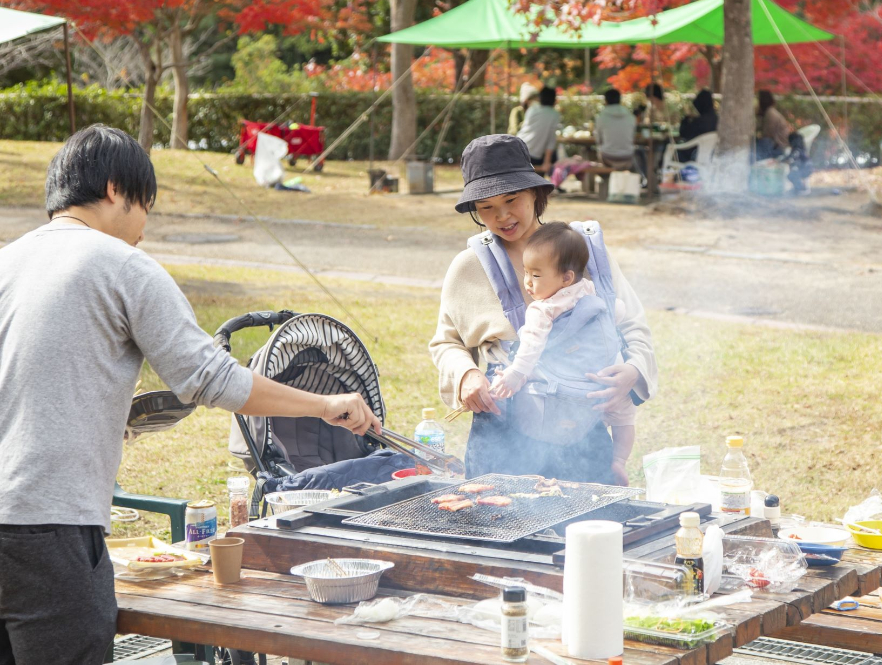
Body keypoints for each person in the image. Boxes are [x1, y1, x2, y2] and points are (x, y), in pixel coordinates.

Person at [0, 126, 382, 665]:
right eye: (145, 209)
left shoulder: (7, 261)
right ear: (115, 189)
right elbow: (213, 378)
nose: (142, 231)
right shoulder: (122, 264)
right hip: (48, 527)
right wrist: (324, 404)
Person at [430, 134, 657, 484]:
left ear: (536, 194)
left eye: (511, 199)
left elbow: (634, 327)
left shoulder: (581, 251)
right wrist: (467, 374)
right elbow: (446, 343)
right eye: (486, 207)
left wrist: (632, 371)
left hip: (583, 414)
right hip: (504, 426)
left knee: (589, 526)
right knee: (495, 522)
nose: (502, 215)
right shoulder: (468, 267)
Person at [489, 222, 635, 484]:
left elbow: (531, 347)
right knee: (624, 414)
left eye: (536, 275)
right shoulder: (591, 291)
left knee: (534, 374)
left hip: (562, 394)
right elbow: (618, 311)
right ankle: (619, 460)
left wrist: (515, 373)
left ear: (566, 277)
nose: (528, 283)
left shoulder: (542, 309)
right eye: (526, 273)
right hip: (601, 381)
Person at [757, 90, 811, 193]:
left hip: (779, 147)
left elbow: (767, 136)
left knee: (760, 146)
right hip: (780, 146)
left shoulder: (770, 114)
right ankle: (799, 188)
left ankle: (799, 188)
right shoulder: (771, 112)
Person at [516, 85, 560, 174]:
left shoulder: (532, 108)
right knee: (537, 184)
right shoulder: (554, 114)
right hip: (534, 154)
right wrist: (546, 162)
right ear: (554, 100)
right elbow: (551, 140)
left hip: (518, 147)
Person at [594, 88, 636, 171]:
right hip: (627, 156)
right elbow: (632, 138)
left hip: (608, 157)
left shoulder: (601, 117)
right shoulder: (630, 116)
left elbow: (598, 140)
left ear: (606, 101)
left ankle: (605, 181)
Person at [676, 89, 718, 162]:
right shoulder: (717, 119)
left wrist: (686, 118)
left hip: (695, 154)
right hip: (712, 155)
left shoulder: (699, 121)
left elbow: (683, 133)